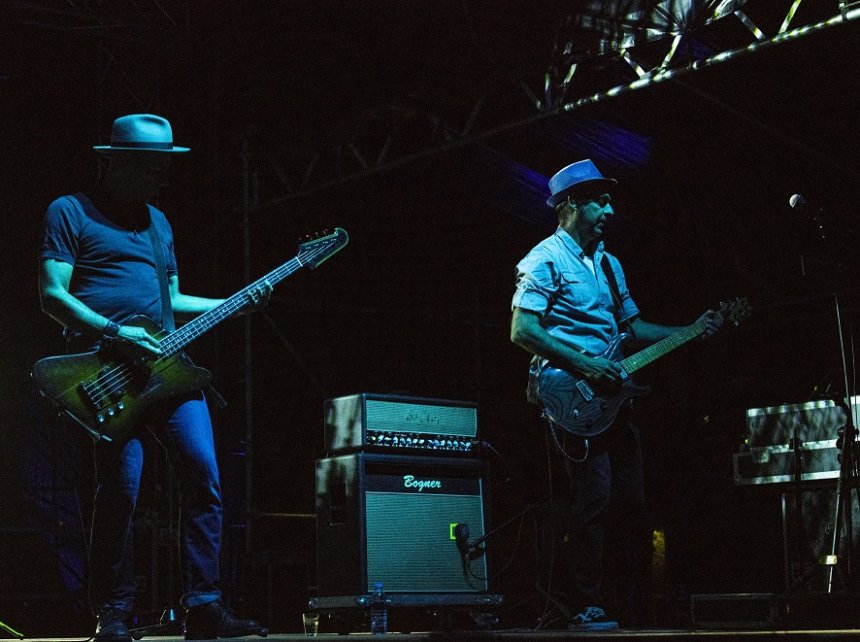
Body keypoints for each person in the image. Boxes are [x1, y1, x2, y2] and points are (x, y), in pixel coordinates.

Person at [38, 114, 269, 641]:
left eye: (164, 167)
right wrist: (114, 332)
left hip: (168, 369)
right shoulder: (69, 211)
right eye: (150, 167)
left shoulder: (159, 222)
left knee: (204, 473)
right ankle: (114, 611)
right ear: (114, 163)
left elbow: (174, 299)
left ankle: (204, 607)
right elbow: (52, 295)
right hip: (107, 371)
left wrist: (233, 304)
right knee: (121, 489)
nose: (161, 177)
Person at [510, 159, 723, 630]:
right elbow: (522, 330)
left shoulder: (609, 264)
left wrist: (690, 330)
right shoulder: (545, 258)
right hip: (571, 397)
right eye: (600, 202)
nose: (610, 211)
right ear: (571, 204)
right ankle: (580, 603)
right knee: (593, 499)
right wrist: (586, 364)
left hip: (612, 400)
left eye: (610, 202)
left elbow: (634, 329)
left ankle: (623, 599)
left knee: (633, 501)